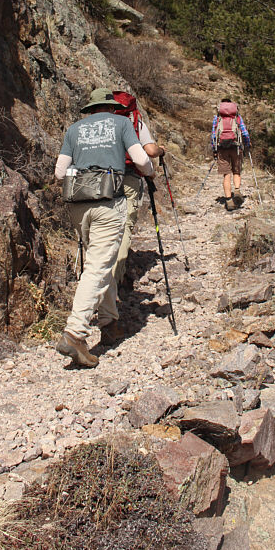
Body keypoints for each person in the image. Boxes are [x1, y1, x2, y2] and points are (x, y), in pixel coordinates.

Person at [54, 87, 154, 367]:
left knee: (100, 260)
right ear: (110, 107)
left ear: (91, 108)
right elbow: (142, 159)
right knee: (98, 266)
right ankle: (75, 332)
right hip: (109, 202)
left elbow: (60, 172)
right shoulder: (122, 123)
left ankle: (109, 322)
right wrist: (150, 172)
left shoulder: (74, 129)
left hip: (78, 203)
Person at [111, 91, 165, 289]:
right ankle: (115, 277)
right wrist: (160, 152)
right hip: (129, 176)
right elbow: (149, 151)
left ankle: (101, 274)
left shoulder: (103, 121)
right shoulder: (134, 121)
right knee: (124, 226)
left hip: (102, 177)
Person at [211, 98, 251, 211]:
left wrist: (214, 150)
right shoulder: (237, 117)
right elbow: (244, 132)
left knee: (226, 175)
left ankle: (229, 201)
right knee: (236, 171)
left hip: (222, 148)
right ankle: (237, 190)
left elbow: (213, 136)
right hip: (236, 147)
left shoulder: (217, 118)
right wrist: (247, 143)